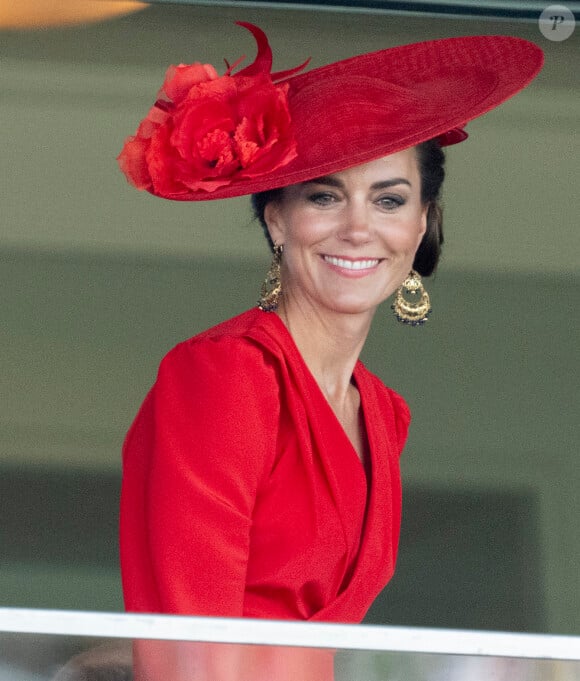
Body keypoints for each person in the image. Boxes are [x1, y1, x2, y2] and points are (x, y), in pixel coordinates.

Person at [117, 21, 543, 679]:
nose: (357, 227)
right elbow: (189, 653)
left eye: (389, 198)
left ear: (422, 221)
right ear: (276, 218)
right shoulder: (226, 375)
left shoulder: (384, 413)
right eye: (325, 195)